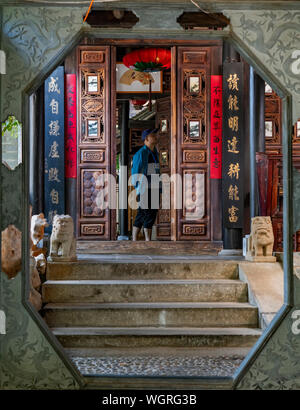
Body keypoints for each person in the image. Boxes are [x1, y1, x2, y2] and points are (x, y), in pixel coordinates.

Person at [131, 128, 160, 241]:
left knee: (152, 212)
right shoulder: (141, 153)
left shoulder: (154, 153)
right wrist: (138, 188)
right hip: (144, 187)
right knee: (144, 211)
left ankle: (147, 239)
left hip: (154, 186)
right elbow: (135, 172)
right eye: (153, 135)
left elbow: (156, 171)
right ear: (147, 138)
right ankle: (135, 238)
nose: (156, 137)